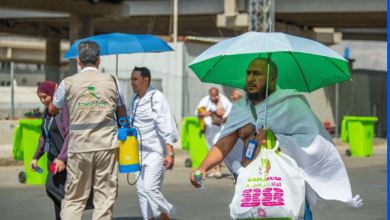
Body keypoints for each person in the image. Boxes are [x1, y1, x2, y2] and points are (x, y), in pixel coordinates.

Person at [190, 58, 362, 218]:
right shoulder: (241, 107)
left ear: (272, 80)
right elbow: (224, 143)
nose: (250, 78)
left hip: (284, 188)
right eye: (248, 73)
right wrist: (203, 168)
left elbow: (314, 140)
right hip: (252, 189)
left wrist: (275, 140)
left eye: (256, 74)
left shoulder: (290, 103)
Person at [48, 41, 127, 220]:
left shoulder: (67, 83)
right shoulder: (113, 81)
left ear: (78, 60)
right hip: (106, 147)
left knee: (75, 198)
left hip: (79, 147)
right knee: (104, 198)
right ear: (99, 60)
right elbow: (122, 114)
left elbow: (53, 109)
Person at [127, 67, 178, 220]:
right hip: (138, 153)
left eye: (135, 79)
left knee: (150, 189)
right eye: (131, 79)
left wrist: (170, 153)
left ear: (145, 80)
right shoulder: (134, 100)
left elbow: (165, 125)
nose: (132, 83)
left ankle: (171, 210)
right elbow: (129, 121)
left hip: (156, 153)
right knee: (143, 194)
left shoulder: (156, 97)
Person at [30, 81, 69, 220]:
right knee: (55, 191)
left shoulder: (63, 109)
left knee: (53, 188)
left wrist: (63, 158)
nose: (43, 100)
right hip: (52, 159)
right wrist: (36, 157)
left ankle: (72, 213)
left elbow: (70, 135)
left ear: (53, 94)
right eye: (40, 97)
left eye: (45, 96)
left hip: (63, 159)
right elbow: (43, 137)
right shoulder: (46, 113)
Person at [195, 87, 232, 178]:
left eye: (215, 96)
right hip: (208, 129)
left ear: (218, 94)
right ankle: (213, 169)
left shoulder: (223, 100)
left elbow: (230, 111)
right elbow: (197, 112)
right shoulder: (205, 100)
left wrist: (223, 114)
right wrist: (203, 114)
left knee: (217, 147)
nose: (214, 98)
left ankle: (218, 169)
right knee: (210, 148)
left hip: (219, 129)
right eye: (212, 96)